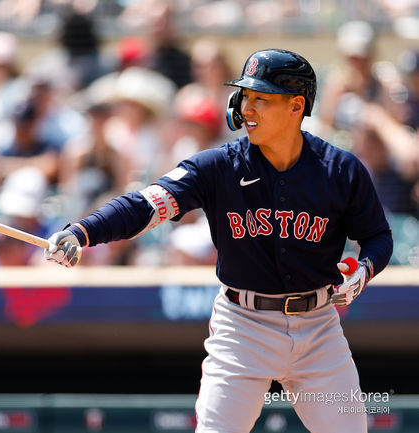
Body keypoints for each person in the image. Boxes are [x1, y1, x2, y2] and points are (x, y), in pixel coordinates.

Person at [44, 49, 393, 432]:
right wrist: (83, 231)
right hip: (243, 328)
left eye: (261, 98)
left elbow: (377, 236)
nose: (248, 108)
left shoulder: (340, 169)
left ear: (296, 106)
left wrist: (365, 269)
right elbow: (144, 204)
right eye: (245, 96)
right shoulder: (217, 166)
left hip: (319, 328)